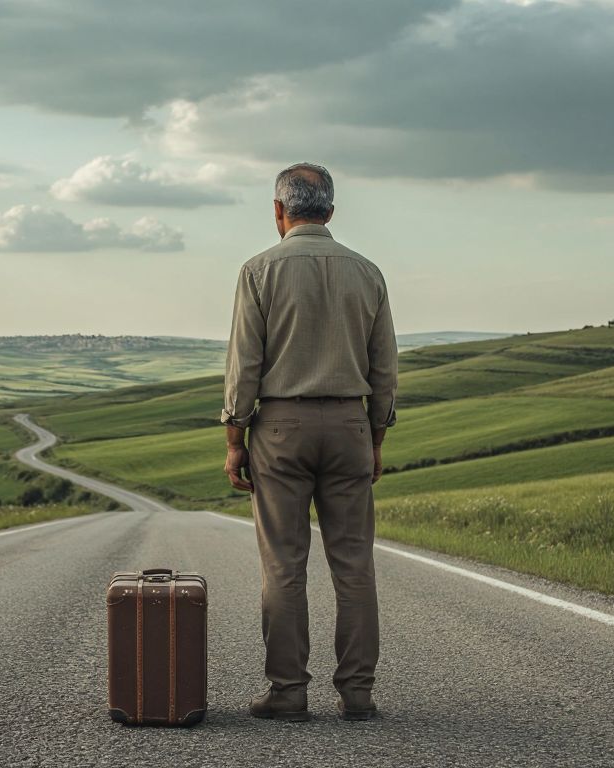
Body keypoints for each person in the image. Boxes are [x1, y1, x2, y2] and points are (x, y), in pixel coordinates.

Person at [221, 162, 398, 722]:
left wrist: (234, 437)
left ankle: (288, 691)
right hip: (349, 425)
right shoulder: (368, 273)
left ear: (279, 211)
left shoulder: (258, 271)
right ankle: (357, 693)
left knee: (283, 567)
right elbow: (385, 369)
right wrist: (374, 438)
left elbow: (245, 364)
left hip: (280, 428)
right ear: (330, 211)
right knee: (354, 567)